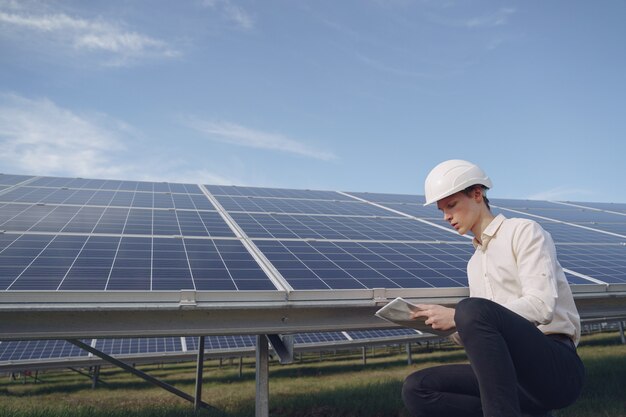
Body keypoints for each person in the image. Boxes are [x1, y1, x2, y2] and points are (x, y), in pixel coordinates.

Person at [402, 159, 585, 417]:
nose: (446, 217)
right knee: (417, 388)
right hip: (506, 374)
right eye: (441, 210)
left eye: (451, 205)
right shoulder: (474, 264)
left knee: (470, 309)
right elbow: (482, 331)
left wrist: (459, 315)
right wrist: (443, 323)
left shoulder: (523, 231)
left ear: (477, 194)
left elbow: (541, 306)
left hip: (555, 368)